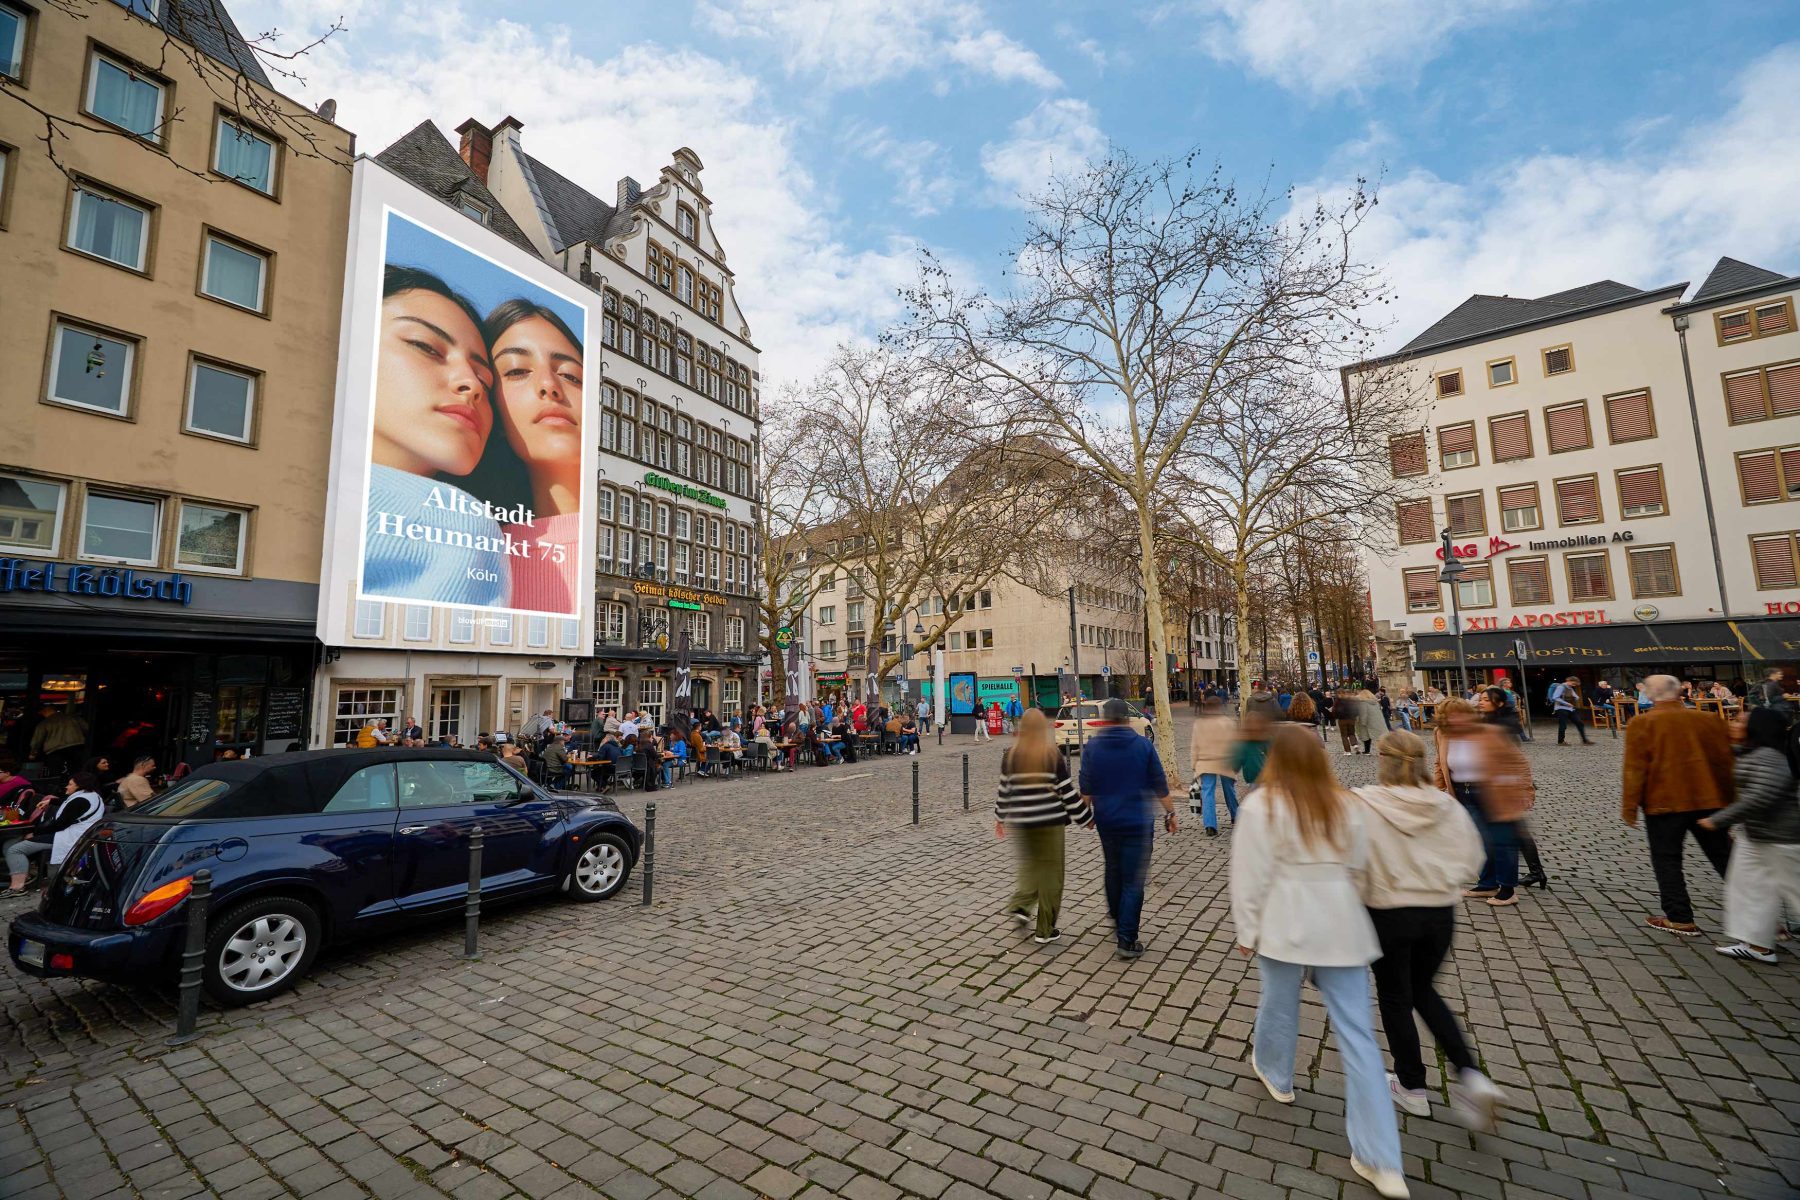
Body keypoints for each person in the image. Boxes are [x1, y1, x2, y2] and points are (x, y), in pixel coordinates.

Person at [1229, 727, 1408, 1199]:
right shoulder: (1347, 805)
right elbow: (1360, 866)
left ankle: (1276, 1073)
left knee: (1279, 1003)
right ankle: (1381, 1158)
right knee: (1358, 1038)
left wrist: (1246, 930)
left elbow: (1249, 876)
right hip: (1342, 926)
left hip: (1285, 922)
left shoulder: (1261, 807)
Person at [1355, 732, 1503, 1131]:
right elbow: (1472, 859)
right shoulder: (1446, 806)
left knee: (1395, 997)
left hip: (1387, 912)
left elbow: (1350, 861)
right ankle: (1470, 1073)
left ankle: (1412, 1085)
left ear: (1382, 760)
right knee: (1423, 991)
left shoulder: (1365, 802)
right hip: (1438, 914)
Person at [364, 266, 509, 606]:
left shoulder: (466, 522)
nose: (472, 385)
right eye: (425, 346)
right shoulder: (462, 522)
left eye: (485, 381)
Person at [1623, 674, 1734, 936]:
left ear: (1650, 695)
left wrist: (1630, 807)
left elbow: (1635, 769)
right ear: (1679, 693)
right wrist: (1730, 801)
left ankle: (1679, 917)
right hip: (1708, 799)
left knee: (1667, 859)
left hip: (1664, 803)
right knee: (1726, 858)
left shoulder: (1643, 723)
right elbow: (1725, 763)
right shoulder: (1707, 719)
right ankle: (1767, 920)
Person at [1079, 698, 1174, 960]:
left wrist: (1085, 815)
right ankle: (1127, 938)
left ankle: (1117, 914)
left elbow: (1086, 788)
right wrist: (1170, 812)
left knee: (1112, 868)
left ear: (1105, 718)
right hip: (1137, 823)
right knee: (1133, 880)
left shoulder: (1093, 747)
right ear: (1126, 719)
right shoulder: (1142, 745)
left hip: (1107, 821)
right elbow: (1159, 783)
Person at [1703, 708, 1800, 962]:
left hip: (1781, 837)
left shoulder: (1769, 756)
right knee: (1748, 887)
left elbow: (1762, 796)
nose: (1733, 724)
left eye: (1739, 721)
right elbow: (1729, 753)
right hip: (1756, 835)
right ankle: (1757, 944)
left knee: (1796, 889)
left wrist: (1717, 820)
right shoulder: (1751, 751)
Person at [997, 710, 1093, 944]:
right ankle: (1045, 929)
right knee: (1052, 876)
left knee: (1031, 867)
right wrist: (1085, 817)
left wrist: (1000, 818)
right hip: (1050, 823)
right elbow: (1067, 792)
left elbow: (1004, 790)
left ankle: (1020, 905)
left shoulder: (1011, 756)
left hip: (1023, 821)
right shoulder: (1051, 755)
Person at [1433, 698, 1533, 907]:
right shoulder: (1442, 734)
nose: (1456, 719)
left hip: (1492, 793)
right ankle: (1487, 883)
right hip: (1463, 793)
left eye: (1460, 714)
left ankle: (1507, 888)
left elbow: (1517, 762)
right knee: (1480, 840)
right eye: (1450, 716)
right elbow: (1439, 762)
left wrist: (1525, 790)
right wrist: (1437, 788)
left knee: (1502, 840)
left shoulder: (1489, 732)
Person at [1476, 687, 1547, 888]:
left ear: (1498, 703)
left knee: (1514, 830)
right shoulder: (1488, 722)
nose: (1480, 702)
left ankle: (1530, 872)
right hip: (1494, 784)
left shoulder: (1503, 726)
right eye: (1480, 699)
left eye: (1485, 699)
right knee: (1515, 830)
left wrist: (1524, 788)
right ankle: (1535, 871)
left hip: (1507, 785)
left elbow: (1517, 760)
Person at [4, 771, 107, 896]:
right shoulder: (92, 796)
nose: (66, 787)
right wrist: (51, 802)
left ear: (79, 786)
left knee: (14, 849)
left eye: (70, 784)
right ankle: (25, 874)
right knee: (14, 844)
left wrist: (34, 832)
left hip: (68, 837)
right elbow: (70, 805)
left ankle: (17, 887)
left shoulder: (79, 801)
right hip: (78, 834)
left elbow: (59, 825)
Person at [1188, 697, 1239, 837]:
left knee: (1207, 792)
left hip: (1206, 762)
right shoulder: (1228, 723)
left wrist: (1194, 764)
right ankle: (1236, 817)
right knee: (1229, 791)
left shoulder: (1199, 723)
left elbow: (1194, 745)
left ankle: (1210, 825)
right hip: (1226, 762)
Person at [29, 705, 88, 781]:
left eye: (43, 713)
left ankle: (58, 787)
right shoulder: (72, 718)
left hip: (54, 750)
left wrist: (33, 753)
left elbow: (37, 740)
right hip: (76, 745)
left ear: (46, 711)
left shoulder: (44, 723)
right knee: (76, 770)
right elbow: (86, 728)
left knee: (56, 773)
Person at [1548, 676, 1593, 745]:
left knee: (1579, 723)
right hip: (1561, 708)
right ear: (1569, 681)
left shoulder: (1570, 688)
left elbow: (1576, 697)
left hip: (1570, 709)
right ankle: (1560, 741)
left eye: (1575, 684)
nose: (1574, 685)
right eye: (1573, 683)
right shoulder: (1561, 687)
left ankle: (1585, 740)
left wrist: (1576, 698)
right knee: (1563, 725)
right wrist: (1567, 703)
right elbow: (1555, 697)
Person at [1355, 688, 1384, 755]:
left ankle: (1367, 751)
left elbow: (1363, 713)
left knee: (1366, 737)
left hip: (1367, 722)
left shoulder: (1363, 703)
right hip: (1377, 721)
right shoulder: (1376, 702)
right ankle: (1383, 751)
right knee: (1379, 736)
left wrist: (1362, 722)